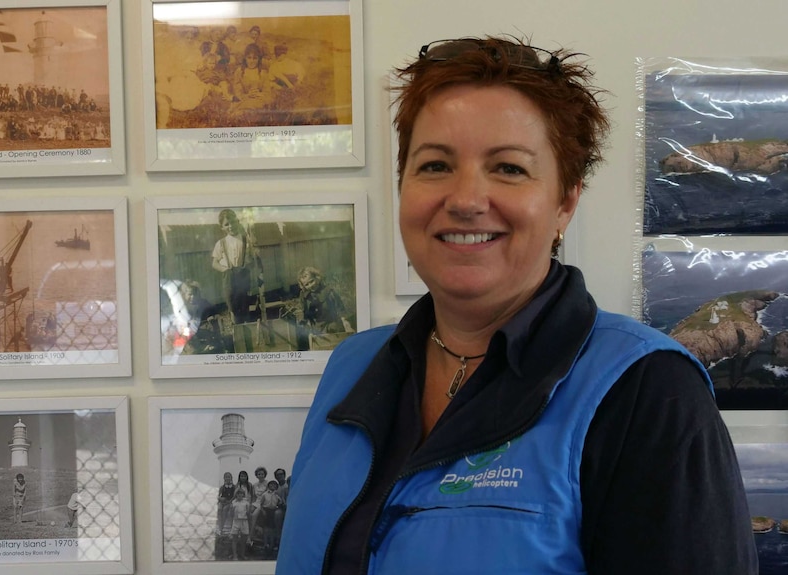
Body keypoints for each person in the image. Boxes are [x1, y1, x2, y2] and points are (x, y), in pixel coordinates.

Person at [275, 35, 758, 574]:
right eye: (435, 165)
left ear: (564, 203)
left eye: (508, 168)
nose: (464, 200)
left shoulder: (646, 389)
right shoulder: (352, 368)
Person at [211, 209, 264, 351]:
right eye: (227, 224)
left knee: (245, 304)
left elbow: (254, 258)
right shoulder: (221, 243)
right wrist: (225, 269)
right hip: (229, 276)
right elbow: (214, 263)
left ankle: (249, 338)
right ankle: (238, 338)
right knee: (233, 307)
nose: (231, 226)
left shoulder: (245, 239)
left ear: (237, 222)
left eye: (233, 222)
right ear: (222, 227)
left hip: (243, 274)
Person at [293, 266, 355, 350]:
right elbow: (305, 314)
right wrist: (307, 327)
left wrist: (346, 323)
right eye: (306, 284)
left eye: (312, 281)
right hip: (316, 329)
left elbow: (340, 309)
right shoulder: (304, 295)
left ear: (317, 278)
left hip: (332, 326)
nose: (310, 286)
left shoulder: (329, 291)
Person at [230, 489, 251, 560]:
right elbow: (231, 514)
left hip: (244, 521)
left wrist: (249, 521)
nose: (239, 495)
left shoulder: (246, 503)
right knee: (234, 539)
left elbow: (248, 513)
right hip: (236, 521)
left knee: (244, 539)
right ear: (236, 495)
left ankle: (242, 554)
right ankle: (235, 555)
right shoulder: (233, 502)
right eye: (238, 494)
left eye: (241, 494)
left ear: (243, 495)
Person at [217, 472, 236, 536]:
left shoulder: (234, 487)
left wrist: (230, 501)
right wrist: (220, 499)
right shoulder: (222, 487)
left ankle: (224, 527)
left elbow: (235, 496)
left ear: (231, 478)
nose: (227, 478)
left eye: (229, 477)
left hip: (229, 502)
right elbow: (218, 496)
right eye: (226, 477)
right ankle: (220, 528)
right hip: (223, 502)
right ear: (224, 478)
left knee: (225, 510)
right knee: (219, 509)